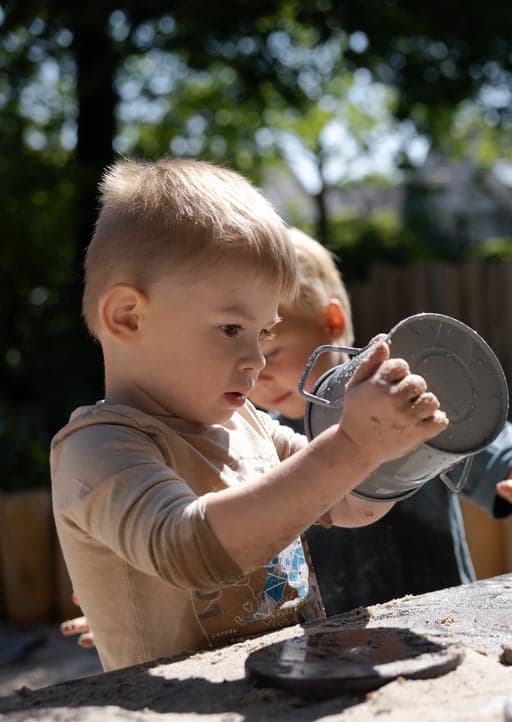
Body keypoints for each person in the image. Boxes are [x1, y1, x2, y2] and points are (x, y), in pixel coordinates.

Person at [51, 157, 449, 672]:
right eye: (232, 330)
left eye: (265, 334)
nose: (257, 360)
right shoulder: (98, 448)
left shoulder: (249, 428)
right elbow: (187, 550)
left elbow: (351, 506)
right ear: (128, 315)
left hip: (283, 691)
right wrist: (352, 445)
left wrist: (391, 448)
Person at [249, 228, 512, 614]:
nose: (259, 374)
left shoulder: (405, 400)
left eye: (274, 352)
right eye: (248, 358)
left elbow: (485, 441)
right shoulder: (264, 446)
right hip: (331, 640)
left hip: (442, 616)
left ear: (331, 321)